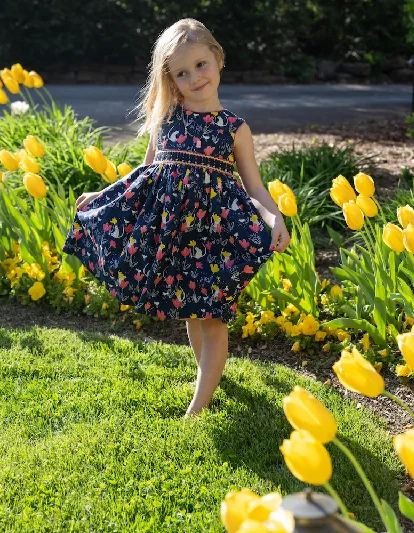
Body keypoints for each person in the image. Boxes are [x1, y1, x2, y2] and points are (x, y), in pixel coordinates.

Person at [63, 18, 290, 417]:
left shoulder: (234, 129)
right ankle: (208, 374)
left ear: (218, 59)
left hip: (213, 236)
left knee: (212, 316)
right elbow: (145, 171)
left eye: (201, 65)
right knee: (190, 310)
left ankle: (197, 408)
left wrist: (275, 219)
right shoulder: (167, 119)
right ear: (171, 79)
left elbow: (254, 188)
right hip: (173, 232)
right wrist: (105, 193)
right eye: (182, 73)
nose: (194, 78)